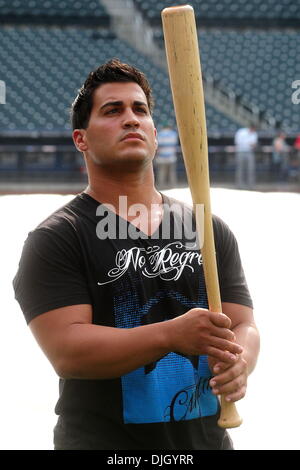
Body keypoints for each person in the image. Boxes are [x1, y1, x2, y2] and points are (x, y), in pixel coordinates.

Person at [13, 59, 260, 450]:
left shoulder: (207, 229)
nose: (131, 119)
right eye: (112, 111)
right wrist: (170, 334)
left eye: (139, 109)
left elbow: (243, 323)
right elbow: (68, 351)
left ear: (155, 134)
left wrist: (239, 360)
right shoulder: (58, 238)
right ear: (81, 139)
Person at [234, 125, 258, 190]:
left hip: (249, 152)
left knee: (251, 169)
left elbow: (254, 144)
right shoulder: (241, 132)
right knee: (240, 169)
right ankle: (239, 185)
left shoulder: (254, 134)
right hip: (240, 152)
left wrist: (249, 144)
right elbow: (238, 142)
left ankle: (251, 185)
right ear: (251, 127)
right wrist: (248, 144)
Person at [155, 123, 178, 188]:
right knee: (172, 172)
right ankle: (173, 186)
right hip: (171, 156)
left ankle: (161, 186)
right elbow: (175, 144)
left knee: (161, 172)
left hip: (161, 157)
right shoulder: (173, 134)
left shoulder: (159, 134)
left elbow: (157, 146)